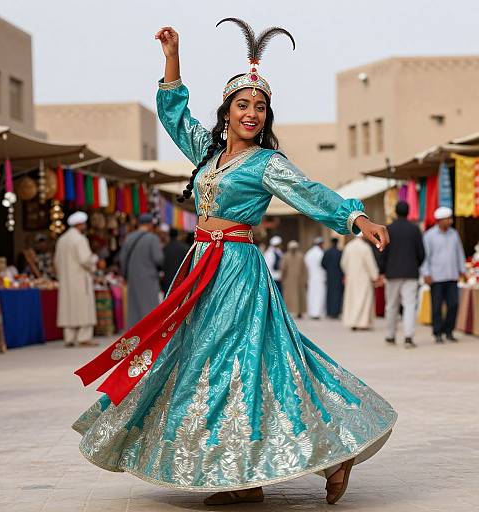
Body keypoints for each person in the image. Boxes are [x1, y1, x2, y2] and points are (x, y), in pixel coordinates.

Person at [73, 22, 395, 507]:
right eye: (242, 105)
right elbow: (175, 115)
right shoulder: (207, 153)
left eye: (259, 106)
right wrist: (172, 58)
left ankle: (329, 455)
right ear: (226, 113)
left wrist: (356, 218)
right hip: (200, 269)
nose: (251, 113)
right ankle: (244, 480)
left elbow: (311, 194)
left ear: (266, 116)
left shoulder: (267, 163)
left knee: (237, 363)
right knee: (204, 362)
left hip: (237, 272)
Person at [379, 201, 425, 348]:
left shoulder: (389, 229)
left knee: (391, 305)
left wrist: (382, 270)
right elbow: (421, 253)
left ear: (396, 212)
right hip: (411, 273)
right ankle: (408, 337)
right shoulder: (415, 229)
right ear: (408, 212)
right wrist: (415, 265)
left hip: (392, 273)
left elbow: (382, 252)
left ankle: (390, 336)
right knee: (410, 305)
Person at [421, 206, 466, 343]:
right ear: (440, 221)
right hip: (436, 277)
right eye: (448, 219)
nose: (450, 221)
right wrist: (426, 273)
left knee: (453, 304)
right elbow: (425, 257)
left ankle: (449, 331)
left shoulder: (454, 234)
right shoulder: (429, 236)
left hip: (452, 276)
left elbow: (459, 252)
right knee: (436, 307)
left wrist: (462, 269)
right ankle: (437, 333)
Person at [54, 211, 98, 348]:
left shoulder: (62, 239)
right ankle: (84, 337)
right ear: (80, 224)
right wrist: (94, 261)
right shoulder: (80, 239)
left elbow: (56, 261)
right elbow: (85, 259)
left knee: (69, 308)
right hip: (80, 278)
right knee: (83, 307)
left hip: (66, 279)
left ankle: (69, 337)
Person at [119, 213, 164, 327]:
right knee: (149, 306)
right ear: (150, 225)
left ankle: (133, 335)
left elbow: (122, 259)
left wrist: (125, 276)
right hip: (148, 277)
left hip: (133, 277)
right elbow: (158, 259)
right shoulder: (152, 238)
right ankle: (148, 332)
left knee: (134, 308)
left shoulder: (129, 238)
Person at [341, 234, 380, 330]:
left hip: (352, 278)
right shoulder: (365, 248)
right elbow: (370, 263)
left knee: (353, 300)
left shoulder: (348, 247)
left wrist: (347, 272)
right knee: (364, 300)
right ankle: (362, 323)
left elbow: (343, 263)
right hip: (364, 278)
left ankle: (353, 322)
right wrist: (375, 276)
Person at [281, 240, 307, 318]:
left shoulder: (286, 256)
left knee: (296, 296)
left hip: (293, 280)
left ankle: (296, 312)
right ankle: (296, 312)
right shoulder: (300, 256)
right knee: (296, 296)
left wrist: (283, 278)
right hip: (293, 280)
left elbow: (283, 269)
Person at [161, 227, 190, 294]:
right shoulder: (185, 248)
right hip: (180, 280)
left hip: (167, 280)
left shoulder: (165, 248)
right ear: (177, 235)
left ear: (169, 235)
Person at [304, 236, 326, 319]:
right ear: (320, 244)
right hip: (320, 276)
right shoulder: (320, 253)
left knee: (311, 295)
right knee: (319, 295)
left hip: (311, 277)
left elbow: (306, 265)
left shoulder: (309, 253)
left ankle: (312, 312)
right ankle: (317, 313)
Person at [321, 237, 344, 318]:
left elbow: (323, 263)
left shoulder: (327, 252)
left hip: (330, 276)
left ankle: (330, 312)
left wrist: (329, 270)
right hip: (338, 276)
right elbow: (343, 264)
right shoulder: (340, 252)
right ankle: (336, 312)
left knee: (330, 293)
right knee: (337, 294)